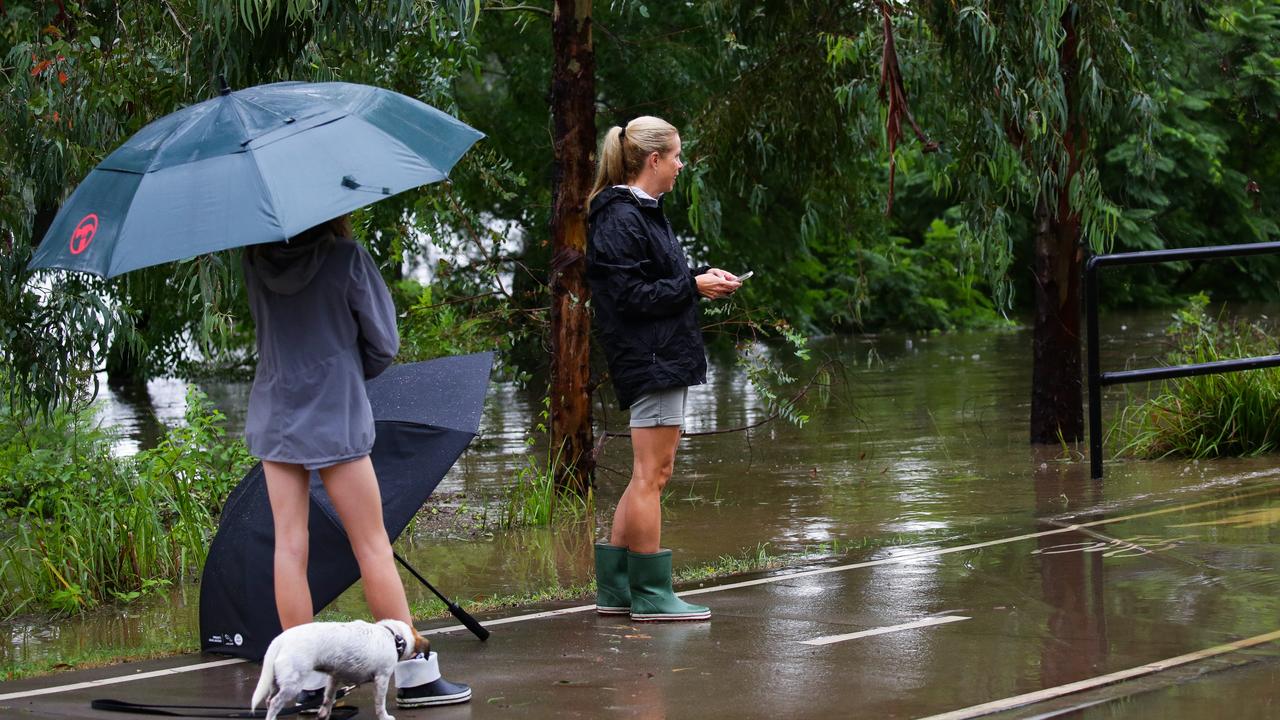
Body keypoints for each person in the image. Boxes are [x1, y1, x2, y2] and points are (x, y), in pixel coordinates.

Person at [242, 215, 471, 708]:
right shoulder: (346, 258)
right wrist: (347, 367)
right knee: (371, 545)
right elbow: (384, 344)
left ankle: (300, 684)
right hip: (335, 414)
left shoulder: (254, 259)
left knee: (289, 547)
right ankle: (411, 673)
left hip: (275, 413)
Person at [585, 116, 741, 622]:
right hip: (649, 357)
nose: (680, 164)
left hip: (663, 353)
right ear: (653, 160)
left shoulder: (645, 212)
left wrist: (699, 278)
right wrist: (693, 287)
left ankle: (617, 590)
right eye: (675, 156)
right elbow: (628, 298)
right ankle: (651, 594)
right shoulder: (620, 217)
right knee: (652, 474)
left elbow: (656, 283)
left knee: (649, 474)